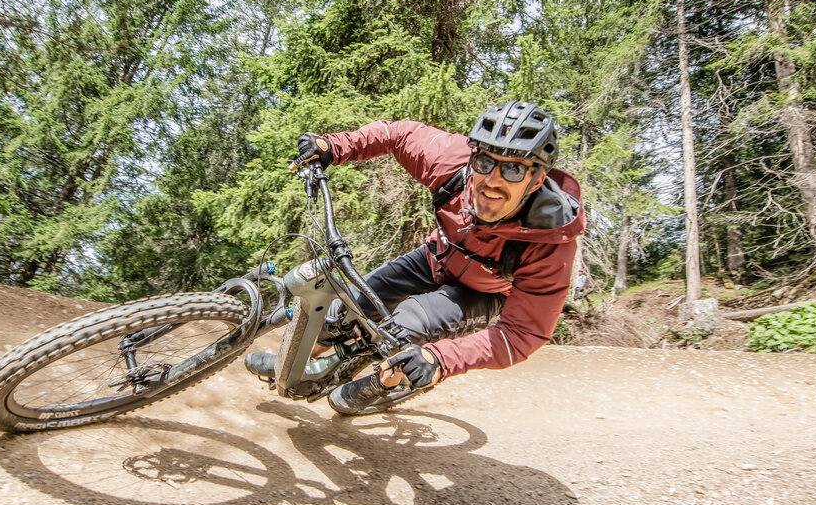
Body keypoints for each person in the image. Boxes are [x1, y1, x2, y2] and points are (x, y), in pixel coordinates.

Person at [246, 100, 585, 413]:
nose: (492, 180)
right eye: (485, 162)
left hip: (482, 291)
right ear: (473, 157)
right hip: (435, 257)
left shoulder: (551, 242)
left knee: (407, 327)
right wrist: (333, 147)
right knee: (347, 309)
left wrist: (441, 358)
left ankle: (381, 383)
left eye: (513, 169)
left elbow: (522, 334)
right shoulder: (453, 163)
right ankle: (298, 366)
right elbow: (396, 134)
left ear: (537, 178)